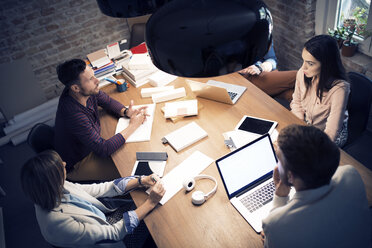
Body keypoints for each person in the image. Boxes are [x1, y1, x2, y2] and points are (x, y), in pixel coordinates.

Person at [20, 150, 165, 248]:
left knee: (142, 202)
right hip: (112, 240)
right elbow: (114, 233)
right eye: (60, 166)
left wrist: (141, 181)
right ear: (52, 181)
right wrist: (151, 202)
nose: (64, 163)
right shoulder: (56, 222)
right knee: (156, 217)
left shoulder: (54, 188)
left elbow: (100, 189)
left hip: (104, 221)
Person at [262, 124, 371, 248]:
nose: (277, 165)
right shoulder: (350, 173)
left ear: (290, 176)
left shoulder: (275, 225)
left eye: (279, 160)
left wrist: (280, 197)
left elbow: (270, 242)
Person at [54, 59, 147, 181]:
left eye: (94, 76)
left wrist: (125, 111)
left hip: (90, 146)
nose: (97, 80)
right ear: (75, 88)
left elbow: (107, 101)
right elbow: (103, 149)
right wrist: (133, 126)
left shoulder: (85, 91)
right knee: (130, 170)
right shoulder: (73, 114)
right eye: (90, 79)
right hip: (79, 162)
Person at [290, 35, 350, 147]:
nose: (303, 67)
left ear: (326, 64)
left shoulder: (340, 89)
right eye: (303, 61)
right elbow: (296, 102)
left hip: (329, 134)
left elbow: (331, 133)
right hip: (306, 124)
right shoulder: (302, 73)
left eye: (310, 63)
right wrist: (300, 125)